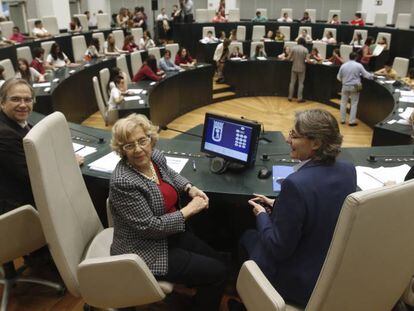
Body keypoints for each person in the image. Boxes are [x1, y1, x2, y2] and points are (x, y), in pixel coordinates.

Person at [109, 113, 227, 310]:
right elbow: (150, 227)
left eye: (142, 141)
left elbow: (169, 174)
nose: (138, 149)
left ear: (150, 139)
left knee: (218, 259)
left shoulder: (153, 156)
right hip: (145, 249)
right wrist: (190, 209)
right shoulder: (123, 181)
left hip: (171, 234)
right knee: (219, 272)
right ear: (122, 150)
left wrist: (190, 187)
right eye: (129, 145)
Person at [239, 109, 356, 308]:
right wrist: (280, 205)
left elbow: (278, 249)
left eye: (294, 135)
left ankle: (251, 298)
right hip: (330, 270)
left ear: (316, 143)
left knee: (247, 236)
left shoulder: (295, 184)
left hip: (296, 283)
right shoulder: (348, 170)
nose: (287, 139)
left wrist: (261, 215)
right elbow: (323, 209)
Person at [0, 79, 84, 215]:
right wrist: (68, 163)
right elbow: (34, 176)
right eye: (15, 99)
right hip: (21, 209)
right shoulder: (4, 135)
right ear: (2, 102)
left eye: (27, 100)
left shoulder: (18, 122)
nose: (23, 105)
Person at [337, 52, 374, 126]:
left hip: (345, 85)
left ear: (349, 57)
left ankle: (342, 120)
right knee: (354, 103)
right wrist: (372, 75)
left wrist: (344, 81)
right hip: (356, 85)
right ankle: (351, 121)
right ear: (356, 57)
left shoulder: (343, 65)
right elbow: (366, 75)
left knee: (343, 103)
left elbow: (338, 77)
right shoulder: (359, 65)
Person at [288, 37, 309, 103]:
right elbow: (307, 60)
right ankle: (299, 98)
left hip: (294, 67)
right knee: (301, 83)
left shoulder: (293, 48)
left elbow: (288, 58)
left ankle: (290, 97)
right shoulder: (305, 49)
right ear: (304, 42)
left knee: (292, 83)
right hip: (302, 68)